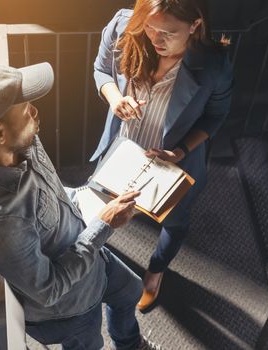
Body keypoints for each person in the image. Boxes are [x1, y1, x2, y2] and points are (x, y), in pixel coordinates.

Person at [0, 62, 159, 350]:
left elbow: (52, 191)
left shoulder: (13, 141)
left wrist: (91, 193)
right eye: (26, 110)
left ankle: (131, 345)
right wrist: (103, 225)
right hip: (70, 307)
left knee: (131, 291)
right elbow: (49, 290)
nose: (35, 113)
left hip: (91, 254)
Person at [92, 0, 233, 311]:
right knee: (101, 211)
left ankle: (155, 272)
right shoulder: (123, 26)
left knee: (175, 222)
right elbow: (101, 70)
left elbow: (216, 116)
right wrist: (115, 98)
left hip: (174, 163)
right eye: (151, 28)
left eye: (168, 32)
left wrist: (181, 150)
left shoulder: (213, 64)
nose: (155, 40)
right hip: (123, 149)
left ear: (195, 25)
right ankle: (99, 262)